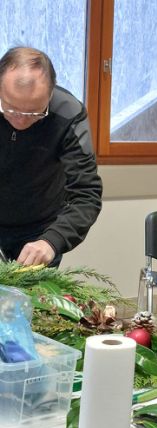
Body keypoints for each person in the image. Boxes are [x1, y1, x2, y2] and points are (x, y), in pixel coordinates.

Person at [0, 47, 102, 267]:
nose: (20, 121)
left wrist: (51, 241)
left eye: (34, 112)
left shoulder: (68, 113)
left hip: (39, 231)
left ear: (50, 93)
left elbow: (87, 195)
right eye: (11, 109)